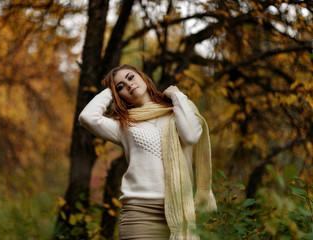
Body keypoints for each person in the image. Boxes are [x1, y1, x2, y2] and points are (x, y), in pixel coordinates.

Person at [79, 64, 217, 240]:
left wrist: (177, 96)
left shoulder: (178, 110)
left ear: (143, 77)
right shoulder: (124, 125)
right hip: (139, 215)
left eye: (131, 77)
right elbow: (87, 117)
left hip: (179, 212)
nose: (128, 85)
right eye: (120, 86)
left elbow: (190, 136)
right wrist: (110, 90)